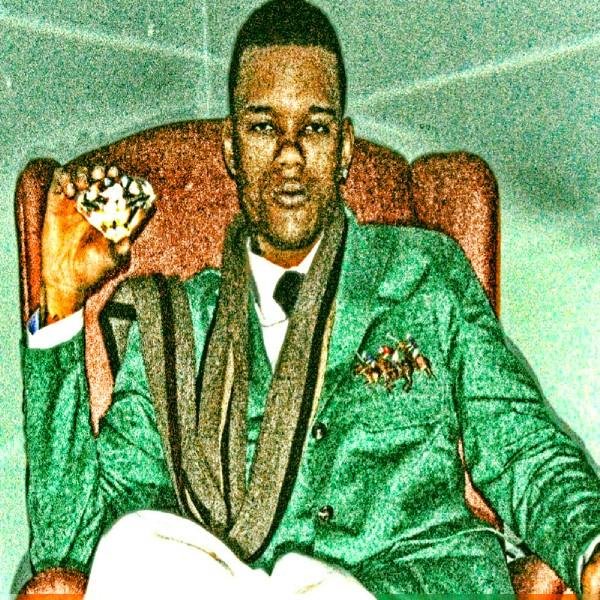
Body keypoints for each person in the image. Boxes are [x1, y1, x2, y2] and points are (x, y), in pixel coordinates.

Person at [20, 0, 600, 597]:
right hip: (232, 585)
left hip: (403, 586)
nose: (290, 155)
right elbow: (76, 546)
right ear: (231, 150)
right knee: (132, 542)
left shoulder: (426, 272)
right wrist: (61, 301)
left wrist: (590, 545)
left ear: (344, 148)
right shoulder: (174, 326)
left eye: (315, 128)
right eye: (264, 128)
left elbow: (521, 443)